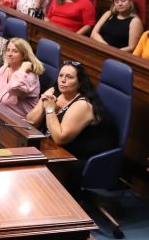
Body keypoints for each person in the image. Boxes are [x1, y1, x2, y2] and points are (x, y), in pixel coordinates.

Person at [25, 61, 117, 191]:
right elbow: (30, 122)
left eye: (69, 77)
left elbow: (60, 138)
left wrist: (50, 110)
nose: (62, 80)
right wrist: (42, 104)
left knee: (33, 175)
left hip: (76, 158)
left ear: (79, 83)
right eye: (61, 75)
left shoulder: (82, 105)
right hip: (55, 150)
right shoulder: (54, 91)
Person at [0, 38, 44, 118]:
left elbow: (13, 88)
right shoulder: (5, 68)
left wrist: (22, 69)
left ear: (24, 55)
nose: (9, 54)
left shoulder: (30, 77)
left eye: (15, 51)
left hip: (15, 123)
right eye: (8, 50)